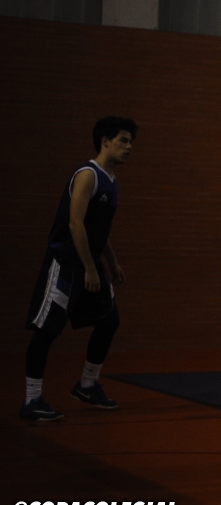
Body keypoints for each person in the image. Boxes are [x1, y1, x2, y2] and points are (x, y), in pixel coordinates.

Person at [22, 117, 136, 422]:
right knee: (47, 331)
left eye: (130, 142)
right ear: (105, 142)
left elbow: (98, 228)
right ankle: (31, 400)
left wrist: (111, 261)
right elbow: (75, 224)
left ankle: (87, 384)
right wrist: (89, 268)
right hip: (66, 263)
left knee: (109, 319)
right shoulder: (88, 175)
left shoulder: (111, 180)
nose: (129, 147)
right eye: (123, 140)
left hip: (89, 263)